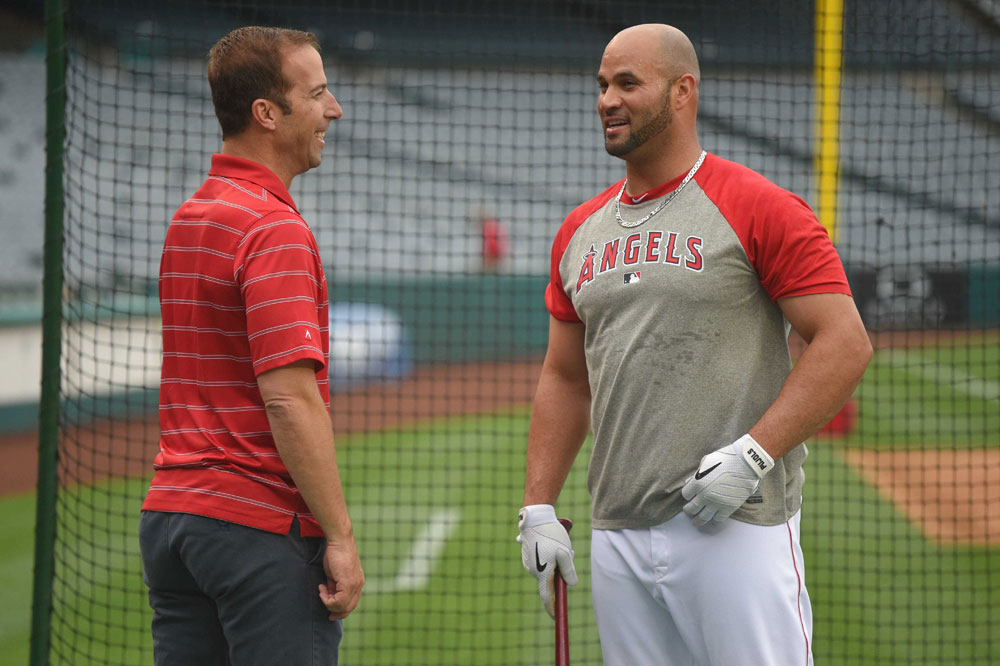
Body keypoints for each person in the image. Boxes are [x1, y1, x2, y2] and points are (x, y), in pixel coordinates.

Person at [516, 23, 872, 666]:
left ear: (683, 91)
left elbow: (845, 344)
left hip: (734, 524)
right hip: (619, 530)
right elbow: (565, 378)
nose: (607, 100)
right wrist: (539, 502)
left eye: (628, 83)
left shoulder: (761, 206)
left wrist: (756, 455)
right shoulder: (578, 230)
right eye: (602, 85)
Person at [139, 26, 363, 665]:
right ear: (267, 113)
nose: (334, 109)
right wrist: (340, 537)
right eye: (317, 93)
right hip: (257, 530)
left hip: (172, 523)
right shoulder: (273, 227)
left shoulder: (191, 215)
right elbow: (289, 400)